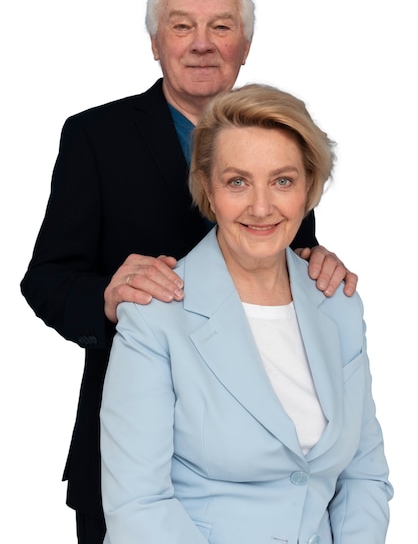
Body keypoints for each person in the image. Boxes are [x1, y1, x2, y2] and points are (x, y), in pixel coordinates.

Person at [20, 0, 358, 544]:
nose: (202, 44)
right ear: (155, 41)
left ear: (245, 44)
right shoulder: (95, 138)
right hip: (131, 459)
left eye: (220, 26)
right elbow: (45, 277)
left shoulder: (277, 140)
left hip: (265, 464)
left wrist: (317, 262)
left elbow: (280, 250)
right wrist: (108, 296)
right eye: (182, 26)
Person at [100, 83, 392, 544]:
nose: (261, 207)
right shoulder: (155, 316)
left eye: (283, 181)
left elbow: (364, 478)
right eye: (238, 181)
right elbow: (139, 505)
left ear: (308, 189)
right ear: (209, 191)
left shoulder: (338, 304)